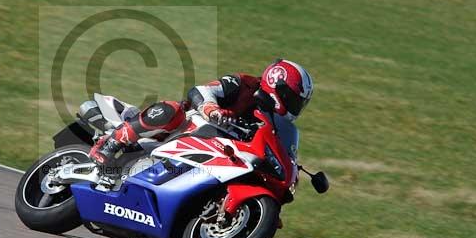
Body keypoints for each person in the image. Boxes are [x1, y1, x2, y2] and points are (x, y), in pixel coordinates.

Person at [89, 58, 313, 168]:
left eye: (298, 103)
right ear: (277, 85)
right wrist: (211, 109)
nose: (294, 107)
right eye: (293, 100)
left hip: (220, 153)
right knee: (173, 110)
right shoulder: (244, 84)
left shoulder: (272, 121)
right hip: (189, 127)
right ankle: (110, 144)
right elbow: (200, 91)